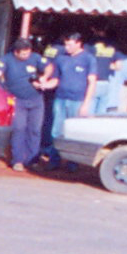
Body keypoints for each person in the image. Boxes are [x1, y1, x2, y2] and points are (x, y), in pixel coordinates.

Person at [0, 35, 51, 172]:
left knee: (35, 130)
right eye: (23, 53)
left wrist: (44, 77)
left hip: (36, 100)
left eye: (28, 52)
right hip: (18, 100)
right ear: (16, 52)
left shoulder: (35, 58)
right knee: (19, 129)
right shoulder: (6, 59)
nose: (26, 55)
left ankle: (32, 160)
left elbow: (48, 67)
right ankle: (17, 160)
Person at [42, 31, 98, 169]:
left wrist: (86, 104)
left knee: (74, 132)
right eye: (66, 44)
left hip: (77, 100)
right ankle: (54, 161)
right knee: (56, 130)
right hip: (60, 99)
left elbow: (92, 82)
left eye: (70, 45)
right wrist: (45, 85)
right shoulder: (61, 59)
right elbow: (56, 79)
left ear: (79, 44)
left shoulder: (88, 59)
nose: (67, 47)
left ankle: (72, 163)